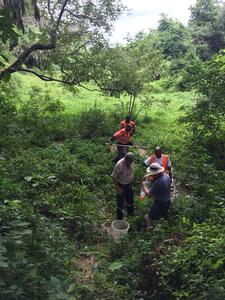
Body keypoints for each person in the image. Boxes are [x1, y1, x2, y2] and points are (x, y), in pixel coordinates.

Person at [142, 162, 171, 230]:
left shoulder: (158, 182)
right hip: (167, 200)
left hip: (160, 203)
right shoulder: (166, 176)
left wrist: (144, 185)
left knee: (149, 217)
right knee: (160, 216)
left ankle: (149, 232)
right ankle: (157, 228)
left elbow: (149, 195)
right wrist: (151, 176)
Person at [111, 152, 134, 219]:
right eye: (128, 162)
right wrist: (118, 188)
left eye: (131, 162)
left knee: (130, 201)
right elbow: (113, 176)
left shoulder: (131, 162)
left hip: (129, 184)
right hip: (121, 185)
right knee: (120, 203)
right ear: (125, 159)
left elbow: (132, 173)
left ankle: (131, 217)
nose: (129, 164)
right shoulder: (119, 165)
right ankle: (119, 217)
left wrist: (132, 184)